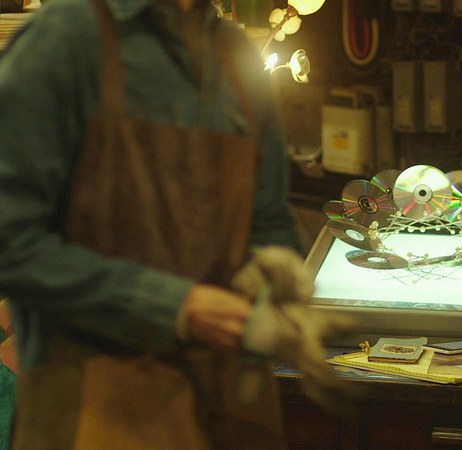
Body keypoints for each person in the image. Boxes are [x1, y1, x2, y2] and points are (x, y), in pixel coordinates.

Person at [0, 0, 352, 448]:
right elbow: (12, 243)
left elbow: (265, 221)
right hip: (96, 417)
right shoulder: (66, 39)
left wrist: (277, 283)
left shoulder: (235, 56)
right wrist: (179, 308)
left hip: (227, 414)